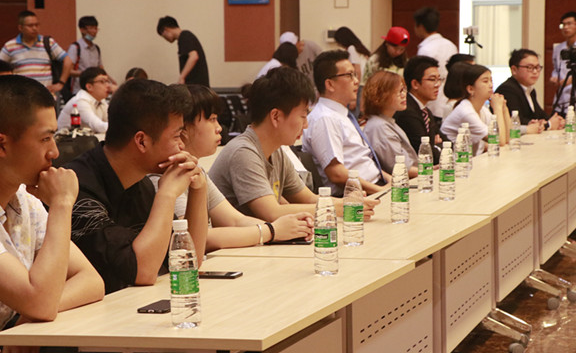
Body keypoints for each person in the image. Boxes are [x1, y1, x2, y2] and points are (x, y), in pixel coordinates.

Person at [0, 75, 104, 352]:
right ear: (0, 145)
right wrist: (61, 204)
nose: (54, 152)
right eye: (45, 139)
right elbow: (41, 302)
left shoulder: (23, 200)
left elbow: (91, 281)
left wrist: (29, 316)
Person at [66, 79, 208, 294]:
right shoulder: (77, 188)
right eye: (177, 136)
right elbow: (143, 272)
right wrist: (167, 194)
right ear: (141, 141)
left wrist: (198, 188)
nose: (182, 146)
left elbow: (187, 261)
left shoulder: (140, 183)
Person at [209, 67, 377, 221]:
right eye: (303, 116)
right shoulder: (243, 152)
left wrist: (348, 202)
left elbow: (308, 198)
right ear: (276, 117)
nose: (306, 125)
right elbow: (272, 213)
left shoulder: (276, 152)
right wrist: (341, 207)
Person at [171, 84, 313, 252]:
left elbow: (236, 220)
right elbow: (193, 238)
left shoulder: (197, 171)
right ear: (184, 128)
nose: (219, 128)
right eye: (212, 119)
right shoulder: (168, 176)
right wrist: (272, 230)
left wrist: (289, 229)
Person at [303, 50, 390, 196]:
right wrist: (381, 191)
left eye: (355, 75)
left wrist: (390, 181)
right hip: (358, 195)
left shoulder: (341, 114)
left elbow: (363, 160)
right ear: (330, 84)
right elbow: (336, 174)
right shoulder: (325, 118)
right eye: (349, 75)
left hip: (375, 185)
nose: (356, 81)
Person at [0, 10, 72, 97]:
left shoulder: (48, 43)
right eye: (30, 25)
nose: (34, 28)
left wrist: (61, 83)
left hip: (45, 96)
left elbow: (68, 61)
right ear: (20, 27)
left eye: (37, 25)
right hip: (21, 96)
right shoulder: (10, 46)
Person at [441, 64, 510, 155]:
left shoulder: (482, 109)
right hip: (453, 160)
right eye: (485, 81)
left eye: (491, 81)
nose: (490, 85)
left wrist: (504, 109)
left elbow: (508, 138)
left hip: (469, 159)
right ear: (470, 89)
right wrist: (497, 108)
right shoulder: (466, 112)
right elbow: (499, 141)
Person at [362, 71, 419, 178]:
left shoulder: (385, 122)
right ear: (380, 95)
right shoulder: (379, 127)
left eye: (404, 89)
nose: (404, 95)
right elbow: (400, 168)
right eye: (399, 91)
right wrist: (428, 171)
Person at [394, 55, 448, 165]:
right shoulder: (407, 111)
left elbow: (447, 143)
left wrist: (435, 146)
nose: (438, 85)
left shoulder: (425, 110)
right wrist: (436, 145)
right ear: (415, 84)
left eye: (439, 79)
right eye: (432, 79)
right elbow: (426, 153)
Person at [496, 49, 564, 134]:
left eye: (537, 67)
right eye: (530, 67)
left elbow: (540, 115)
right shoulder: (507, 89)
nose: (535, 72)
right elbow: (517, 121)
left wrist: (557, 120)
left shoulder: (530, 90)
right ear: (514, 70)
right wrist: (549, 124)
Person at [414, 7, 458, 119]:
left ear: (420, 26)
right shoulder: (451, 45)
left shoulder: (425, 49)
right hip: (448, 101)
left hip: (432, 104)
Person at [67, 16, 117, 99]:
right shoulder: (75, 47)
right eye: (91, 28)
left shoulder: (96, 48)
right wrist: (86, 74)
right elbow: (68, 71)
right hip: (79, 90)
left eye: (96, 28)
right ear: (82, 30)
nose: (94, 31)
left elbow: (101, 69)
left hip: (95, 91)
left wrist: (111, 81)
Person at [157, 16, 210, 87]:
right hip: (197, 86)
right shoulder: (183, 38)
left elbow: (194, 56)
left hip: (196, 87)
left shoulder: (185, 36)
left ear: (166, 29)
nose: (165, 39)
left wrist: (182, 77)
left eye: (163, 36)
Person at [57, 67, 111, 133]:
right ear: (89, 87)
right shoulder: (81, 101)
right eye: (102, 82)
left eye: (107, 81)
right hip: (67, 138)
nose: (108, 85)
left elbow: (110, 120)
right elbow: (98, 127)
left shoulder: (101, 100)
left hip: (87, 137)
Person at [550, 11, 576, 116]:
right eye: (563, 25)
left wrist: (572, 79)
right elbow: (556, 69)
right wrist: (554, 77)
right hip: (562, 98)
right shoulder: (559, 48)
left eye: (569, 24)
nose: (565, 27)